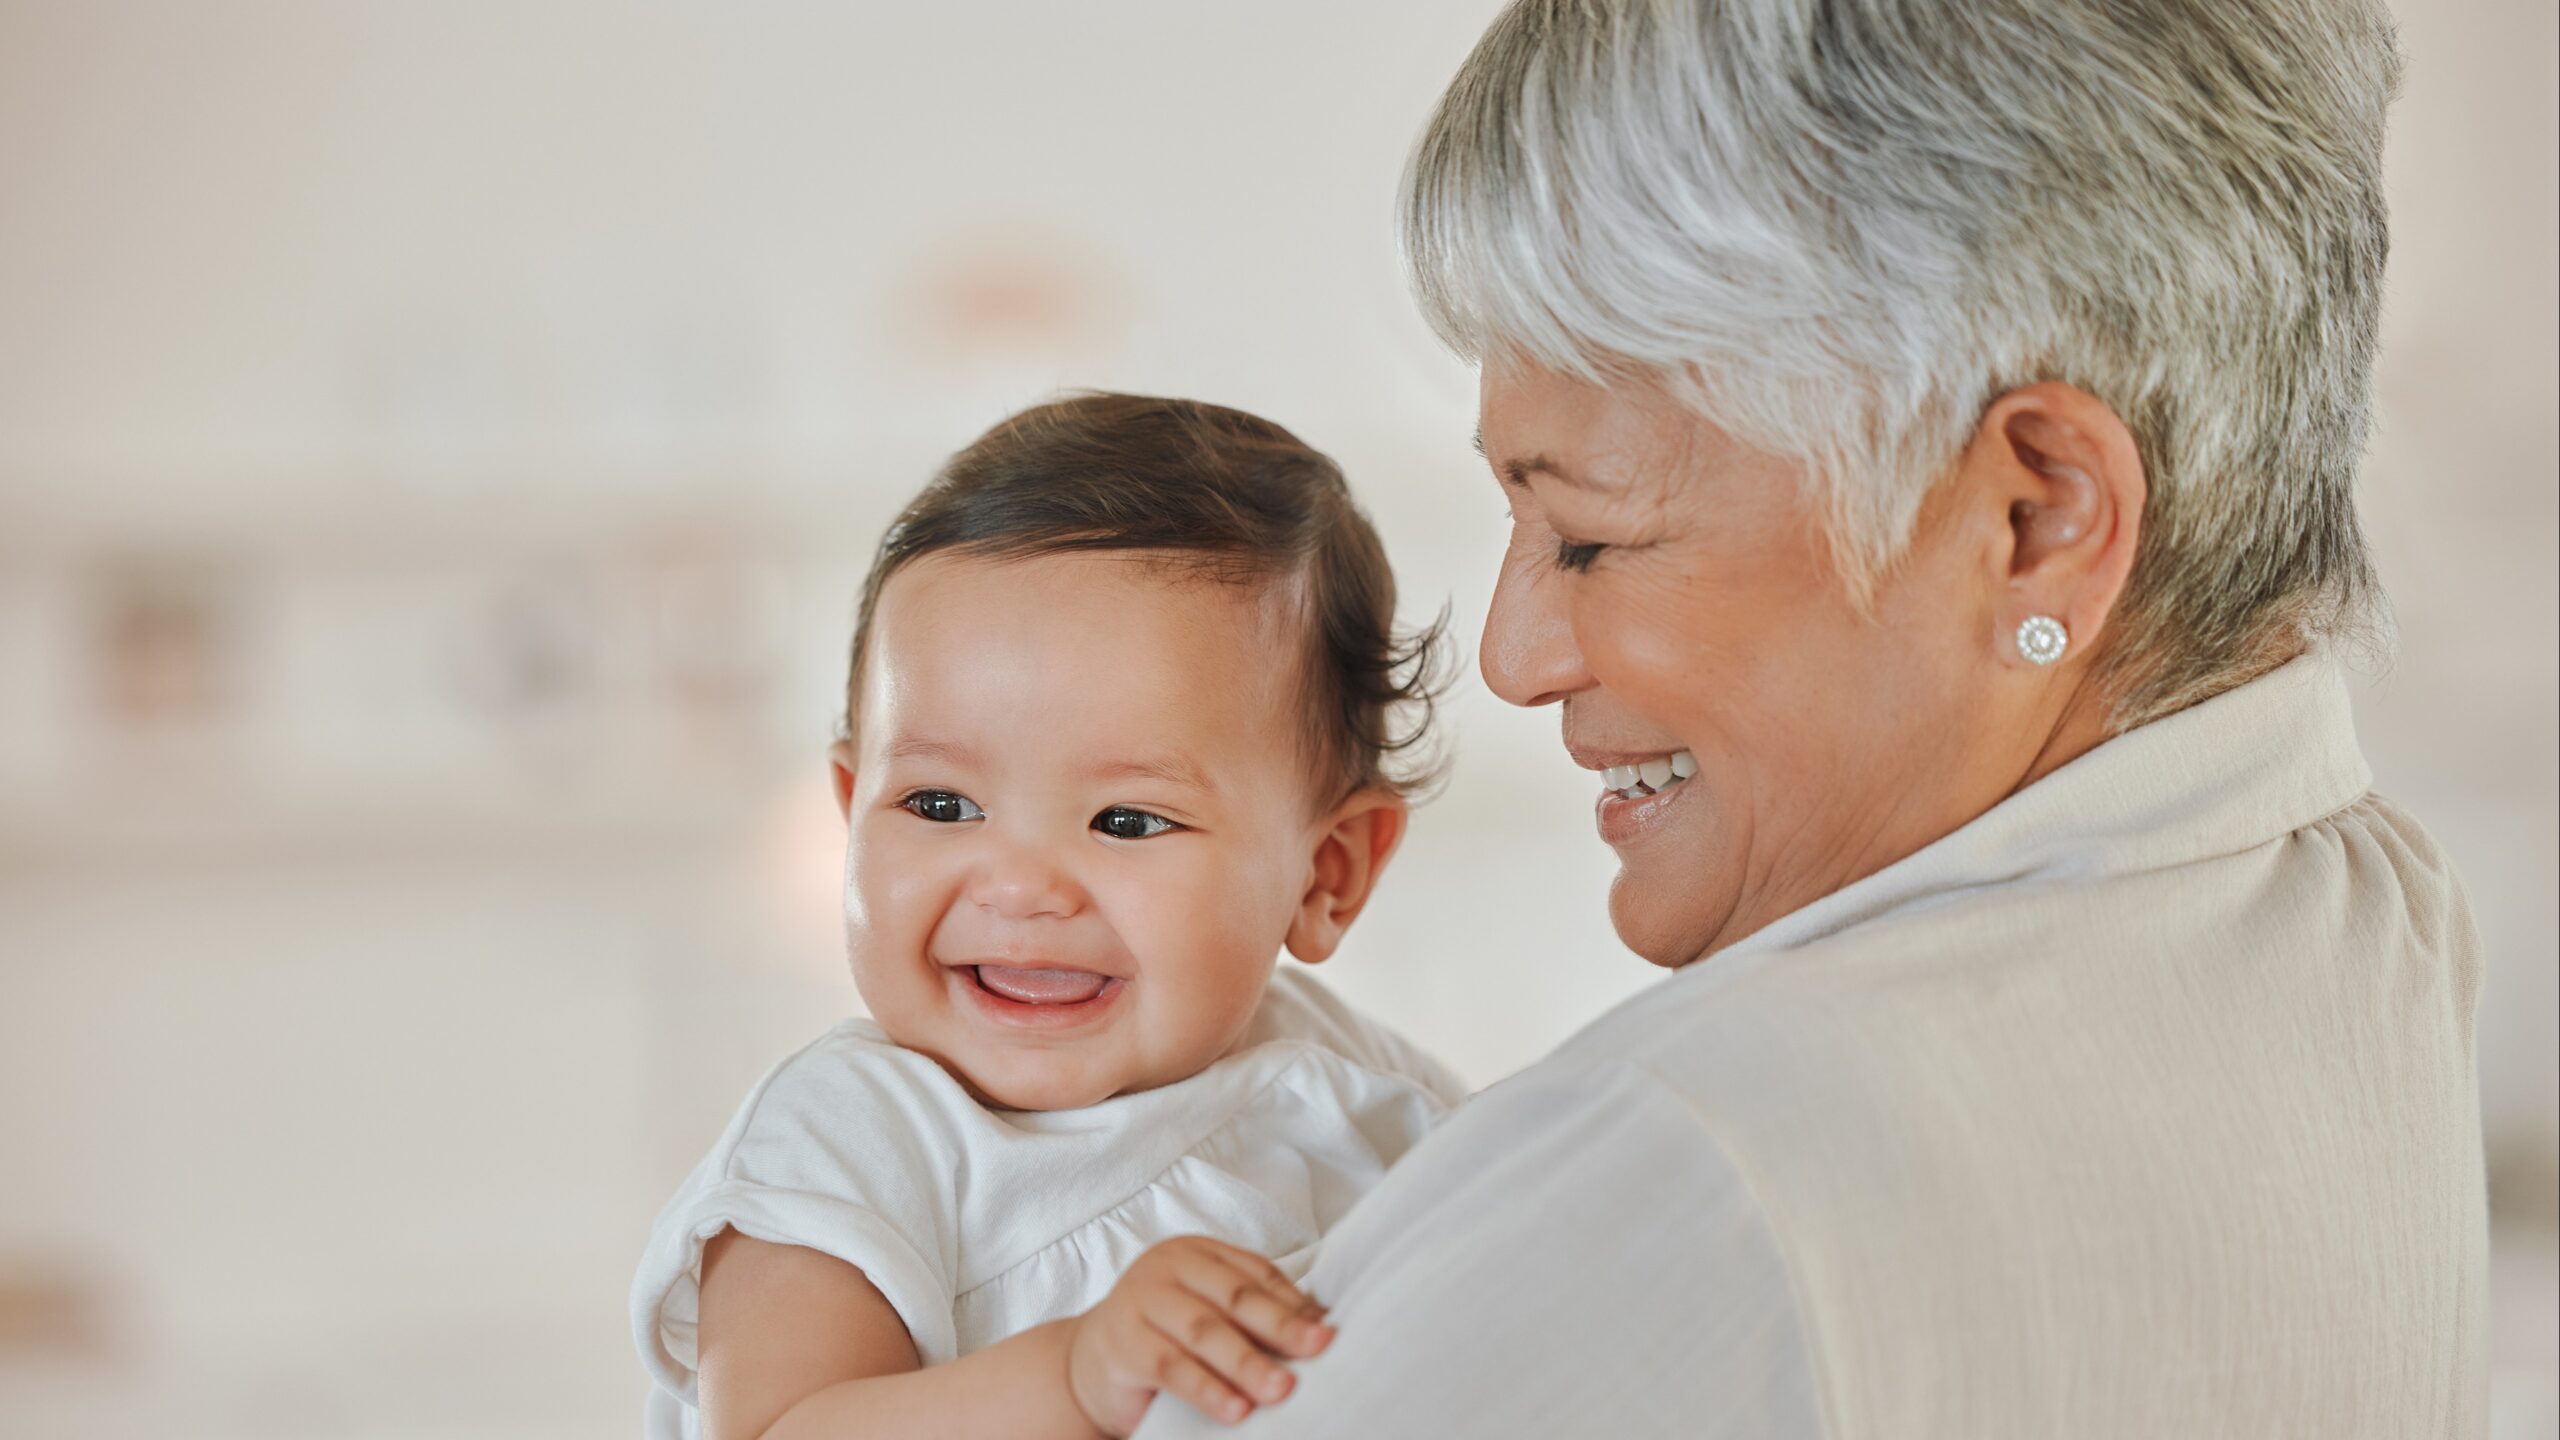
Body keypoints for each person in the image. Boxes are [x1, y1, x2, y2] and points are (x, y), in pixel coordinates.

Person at [1133, 1, 2489, 1436]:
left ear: (2034, 522)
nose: (1515, 657)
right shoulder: (2377, 922)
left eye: (1591, 536)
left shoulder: (1694, 1175)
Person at [630, 393, 1465, 1439]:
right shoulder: (848, 1140)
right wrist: (1070, 1378)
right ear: (853, 818)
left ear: (1324, 875)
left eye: (1125, 819)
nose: (1020, 887)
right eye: (940, 806)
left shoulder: (1360, 1088)